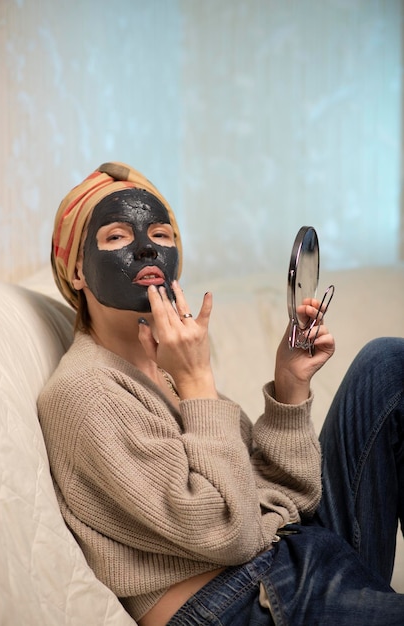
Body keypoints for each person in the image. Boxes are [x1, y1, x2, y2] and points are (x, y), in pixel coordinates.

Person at [38, 161, 404, 626]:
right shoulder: (82, 391)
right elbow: (228, 534)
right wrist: (197, 381)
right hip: (236, 602)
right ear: (76, 272)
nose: (147, 248)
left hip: (290, 554)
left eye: (162, 234)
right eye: (116, 237)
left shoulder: (165, 366)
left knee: (386, 365)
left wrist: (289, 388)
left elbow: (287, 494)